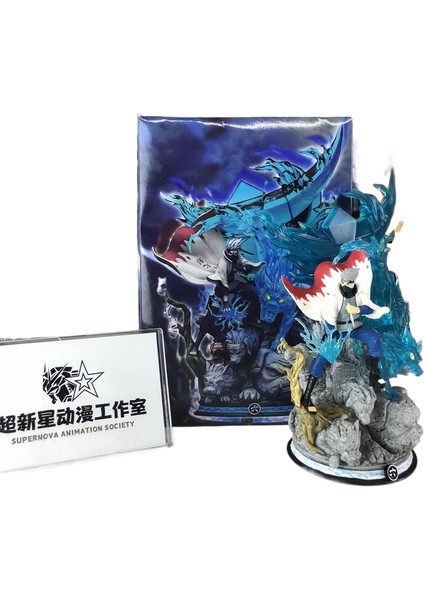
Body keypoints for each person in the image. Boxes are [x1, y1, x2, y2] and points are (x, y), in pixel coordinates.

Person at [282, 251, 390, 412]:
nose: (348, 286)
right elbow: (329, 319)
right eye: (346, 283)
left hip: (356, 327)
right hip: (338, 331)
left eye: (351, 283)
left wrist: (359, 309)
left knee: (374, 339)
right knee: (322, 358)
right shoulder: (333, 297)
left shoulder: (359, 293)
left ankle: (374, 375)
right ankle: (307, 397)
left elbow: (369, 308)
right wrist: (331, 334)